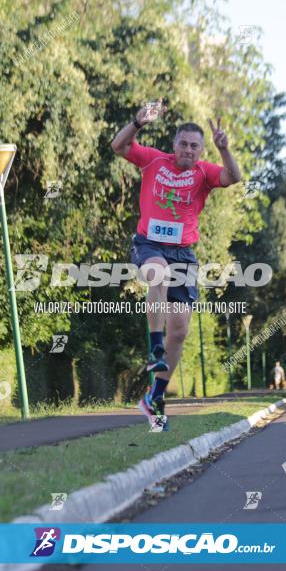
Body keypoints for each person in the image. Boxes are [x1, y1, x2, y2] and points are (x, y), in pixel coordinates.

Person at [111, 101, 242, 431]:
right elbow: (119, 146)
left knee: (181, 330)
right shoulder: (154, 160)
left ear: (200, 150)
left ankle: (154, 397)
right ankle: (156, 345)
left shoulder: (205, 172)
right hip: (150, 245)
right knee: (158, 274)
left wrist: (224, 149)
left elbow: (234, 176)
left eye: (194, 146)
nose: (188, 149)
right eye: (183, 143)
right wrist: (136, 123)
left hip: (184, 252)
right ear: (174, 145)